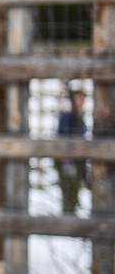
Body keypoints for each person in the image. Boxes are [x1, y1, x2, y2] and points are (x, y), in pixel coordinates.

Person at [57, 86, 89, 215]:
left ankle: (72, 210)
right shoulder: (66, 117)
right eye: (79, 98)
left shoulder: (80, 117)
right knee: (67, 186)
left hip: (77, 161)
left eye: (83, 99)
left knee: (75, 186)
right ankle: (67, 211)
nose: (81, 101)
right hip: (67, 160)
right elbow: (62, 136)